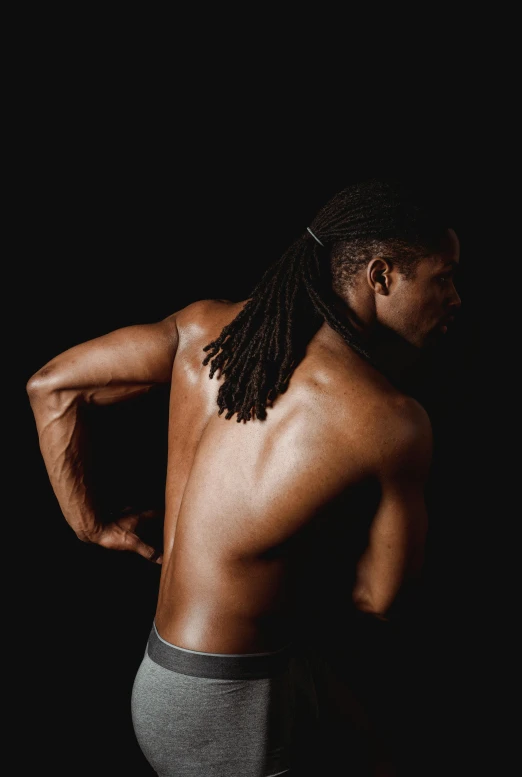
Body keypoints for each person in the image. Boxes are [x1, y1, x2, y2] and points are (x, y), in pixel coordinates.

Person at [26, 177, 461, 776]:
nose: (457, 299)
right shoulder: (391, 422)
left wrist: (90, 524)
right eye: (444, 277)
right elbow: (380, 602)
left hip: (172, 676)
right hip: (228, 707)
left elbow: (53, 388)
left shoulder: (204, 331)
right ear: (381, 275)